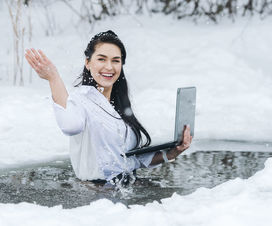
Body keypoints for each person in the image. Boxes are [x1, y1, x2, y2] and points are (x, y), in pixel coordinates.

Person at [25, 30, 192, 185]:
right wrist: (54, 78)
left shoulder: (117, 105)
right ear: (88, 63)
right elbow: (70, 126)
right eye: (101, 59)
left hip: (126, 187)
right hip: (95, 196)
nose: (109, 67)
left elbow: (130, 160)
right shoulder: (80, 100)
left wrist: (171, 153)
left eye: (115, 61)